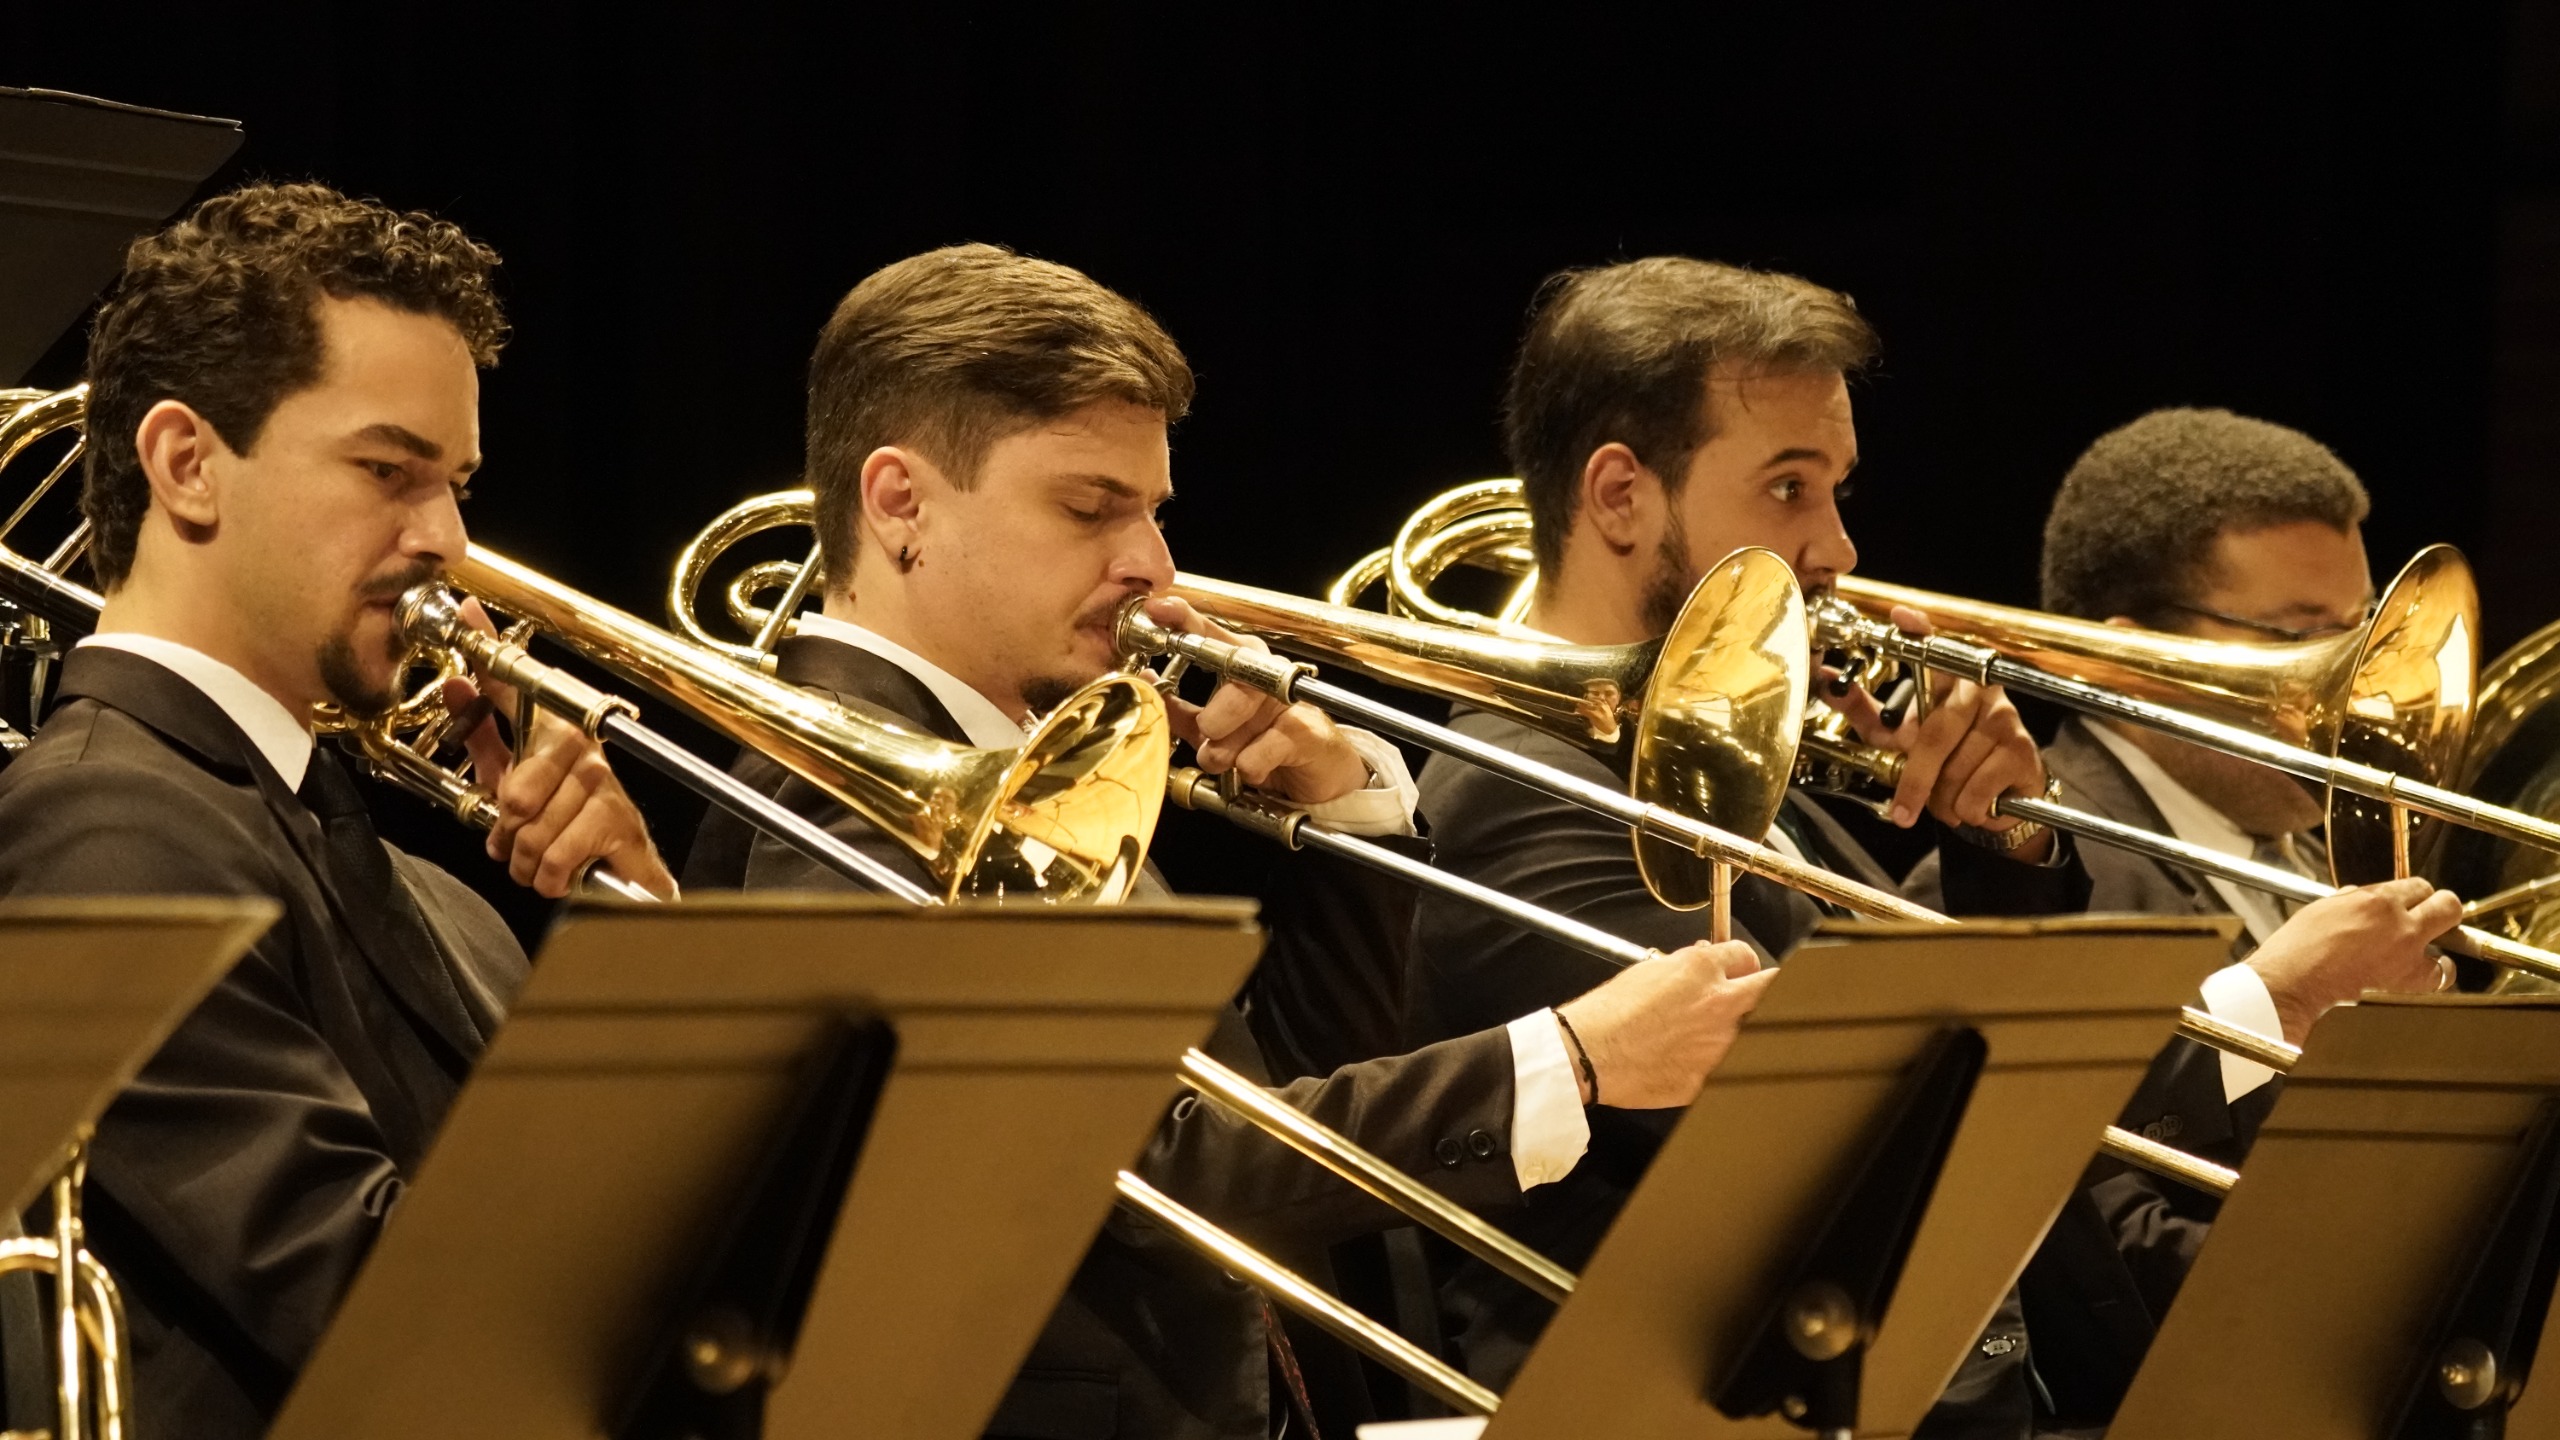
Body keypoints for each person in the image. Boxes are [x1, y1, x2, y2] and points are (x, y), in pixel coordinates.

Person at [682, 243, 1776, 1439]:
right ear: (901, 504)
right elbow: (1137, 1171)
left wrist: (1346, 817)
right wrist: (1569, 1058)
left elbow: (1276, 1086)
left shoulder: (1023, 755)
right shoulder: (841, 795)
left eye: (1152, 511)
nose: (1152, 566)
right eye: (1088, 508)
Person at [1407, 257, 2460, 1436]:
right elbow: (1850, 1143)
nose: (1838, 548)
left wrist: (1996, 843)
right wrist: (2262, 1006)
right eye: (1788, 488)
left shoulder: (1760, 786)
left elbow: (1954, 1057)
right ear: (1617, 496)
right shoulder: (1521, 792)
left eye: (1836, 490)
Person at [0, 183, 677, 1439]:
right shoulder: (102, 822)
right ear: (186, 465)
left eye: (455, 483)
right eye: (386, 471)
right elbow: (394, 1313)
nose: (448, 541)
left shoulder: (443, 897)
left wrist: (641, 929)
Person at [1909, 405, 2455, 1425]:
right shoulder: (2003, 874)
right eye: (2303, 640)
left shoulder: (2320, 860)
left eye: (2361, 638)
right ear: (2133, 659)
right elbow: (2076, 1258)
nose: (2358, 695)